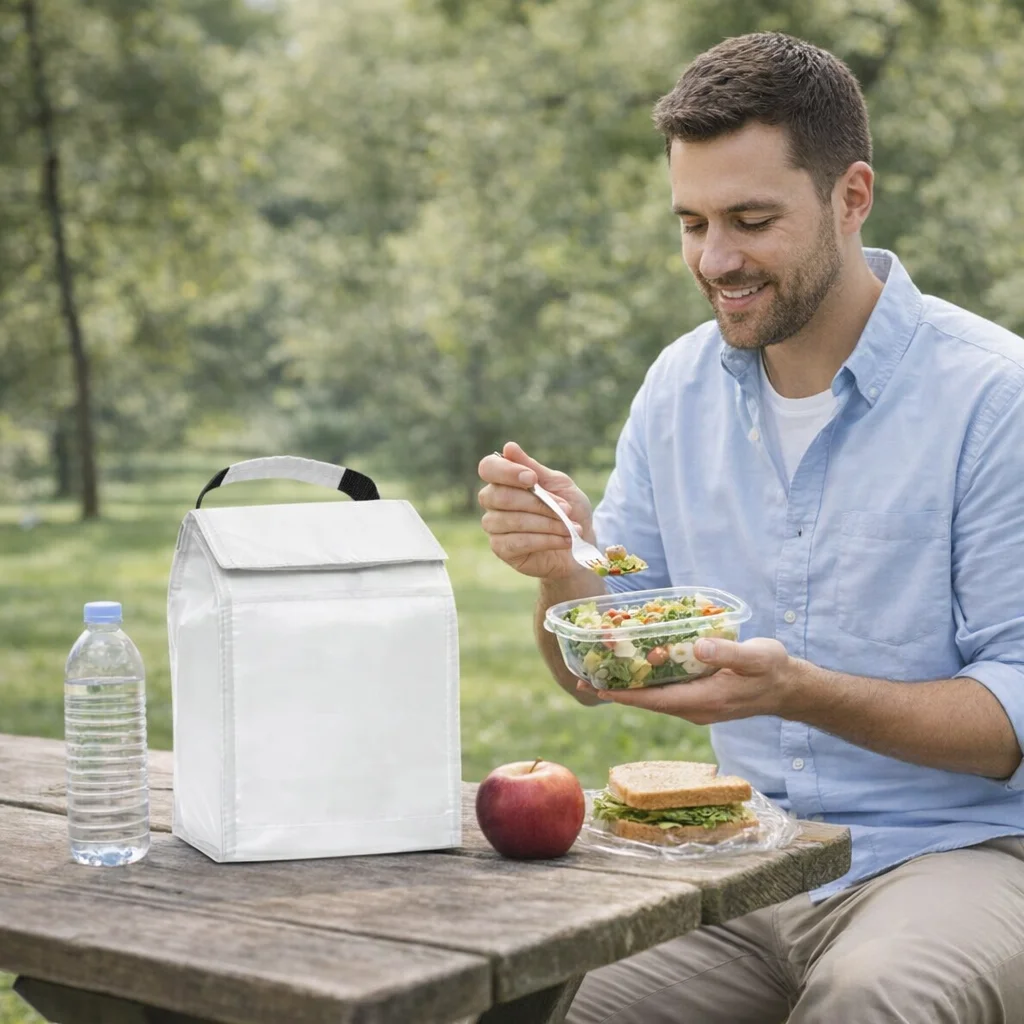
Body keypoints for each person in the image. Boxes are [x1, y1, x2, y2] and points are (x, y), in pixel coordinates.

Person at [476, 31, 1024, 1024]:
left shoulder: (993, 398)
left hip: (955, 852)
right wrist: (565, 571)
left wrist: (801, 692)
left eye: (750, 219)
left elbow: (1011, 725)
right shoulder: (676, 387)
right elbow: (601, 670)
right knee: (556, 1003)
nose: (715, 259)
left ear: (851, 197)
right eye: (691, 223)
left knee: (874, 1000)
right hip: (743, 853)